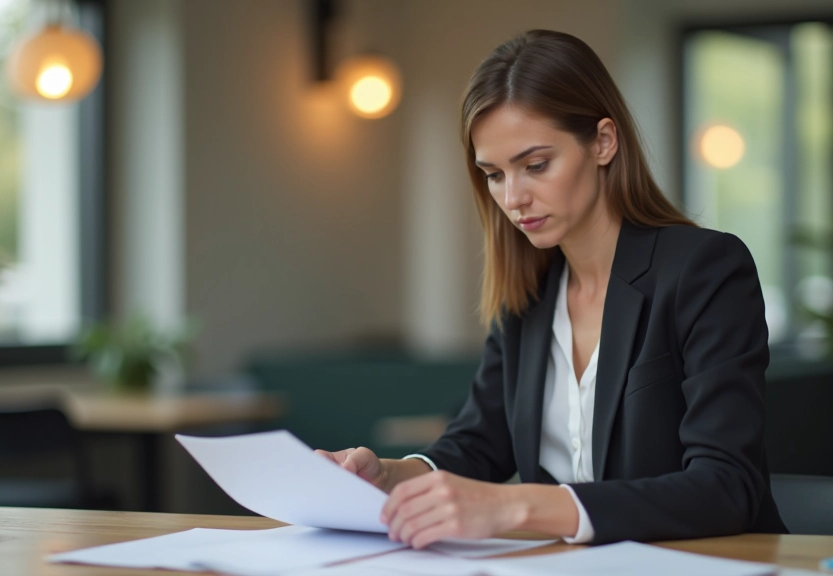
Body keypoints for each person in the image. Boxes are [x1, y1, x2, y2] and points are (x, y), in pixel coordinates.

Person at [317, 29, 787, 549]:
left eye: (536, 165)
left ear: (604, 142)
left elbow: (726, 486)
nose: (513, 197)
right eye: (493, 174)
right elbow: (477, 443)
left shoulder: (705, 270)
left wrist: (518, 504)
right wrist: (387, 475)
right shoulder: (529, 294)